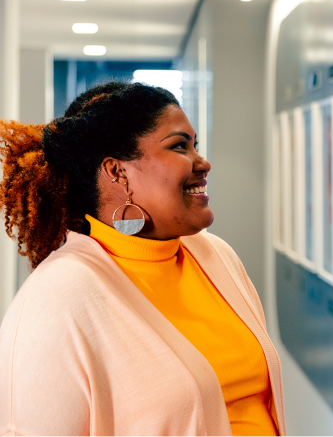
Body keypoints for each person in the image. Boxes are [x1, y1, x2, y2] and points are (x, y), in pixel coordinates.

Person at [0, 82, 286, 436]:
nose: (203, 161)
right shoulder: (59, 299)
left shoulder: (216, 257)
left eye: (195, 145)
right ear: (117, 171)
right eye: (179, 146)